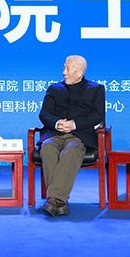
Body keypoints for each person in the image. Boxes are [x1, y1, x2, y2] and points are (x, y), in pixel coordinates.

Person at [38, 55, 105, 216]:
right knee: (47, 148)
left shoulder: (95, 89)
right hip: (54, 134)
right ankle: (59, 201)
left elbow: (97, 115)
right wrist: (56, 123)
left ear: (80, 72)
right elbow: (44, 114)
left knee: (71, 151)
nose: (64, 72)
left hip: (79, 136)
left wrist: (74, 124)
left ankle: (53, 200)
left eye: (68, 69)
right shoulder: (54, 89)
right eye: (64, 68)